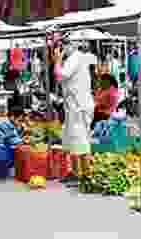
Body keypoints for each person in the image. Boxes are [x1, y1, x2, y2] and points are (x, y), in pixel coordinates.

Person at [52, 38, 97, 185]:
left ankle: (86, 174)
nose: (62, 48)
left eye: (64, 44)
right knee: (72, 139)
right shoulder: (73, 58)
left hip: (79, 106)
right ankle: (76, 172)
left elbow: (61, 75)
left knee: (80, 139)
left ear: (72, 45)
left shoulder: (75, 58)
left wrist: (57, 60)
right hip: (74, 106)